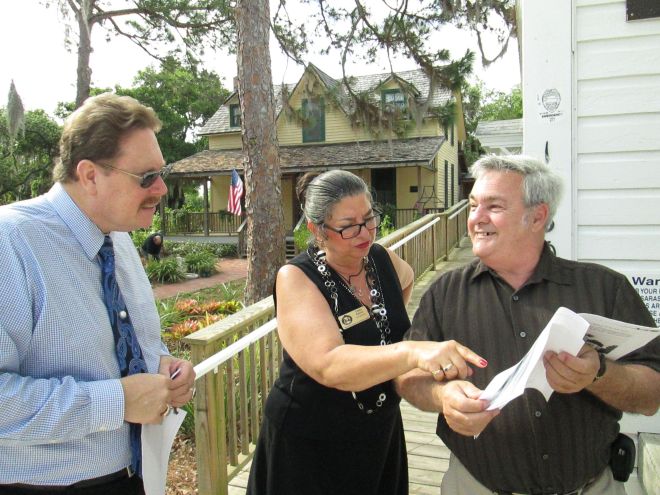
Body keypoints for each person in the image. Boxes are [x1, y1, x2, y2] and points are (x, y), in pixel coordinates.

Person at [396, 155, 660, 495]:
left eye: (494, 206)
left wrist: (599, 374)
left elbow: (652, 393)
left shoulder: (606, 289)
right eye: (473, 205)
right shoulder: (445, 293)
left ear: (537, 217)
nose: (476, 218)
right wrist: (441, 395)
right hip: (475, 486)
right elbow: (407, 377)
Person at [0, 93, 195, 494]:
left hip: (134, 476)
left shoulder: (117, 237)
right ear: (89, 175)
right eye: (146, 177)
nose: (161, 188)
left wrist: (164, 368)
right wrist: (117, 402)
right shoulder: (11, 241)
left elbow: (134, 348)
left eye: (162, 173)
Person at [246, 170, 487, 495]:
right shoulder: (296, 277)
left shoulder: (379, 257)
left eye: (369, 218)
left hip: (377, 430)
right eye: (348, 226)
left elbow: (406, 278)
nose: (365, 232)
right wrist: (410, 352)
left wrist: (380, 332)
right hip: (311, 442)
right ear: (318, 230)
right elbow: (330, 365)